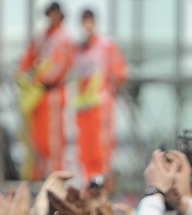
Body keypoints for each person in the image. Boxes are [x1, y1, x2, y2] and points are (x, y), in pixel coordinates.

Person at [18, 2, 75, 179]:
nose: (52, 16)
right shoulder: (42, 36)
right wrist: (23, 75)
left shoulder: (64, 38)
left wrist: (38, 78)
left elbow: (60, 67)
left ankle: (54, 177)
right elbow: (27, 59)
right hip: (38, 96)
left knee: (54, 141)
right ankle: (38, 175)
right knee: (36, 140)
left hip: (54, 95)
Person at [73, 8, 127, 181]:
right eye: (84, 20)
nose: (87, 24)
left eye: (90, 20)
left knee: (102, 148)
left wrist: (112, 88)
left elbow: (120, 71)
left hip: (100, 105)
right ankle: (89, 185)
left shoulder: (106, 45)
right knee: (85, 149)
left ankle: (102, 186)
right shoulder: (79, 49)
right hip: (83, 107)